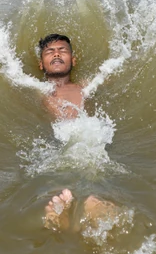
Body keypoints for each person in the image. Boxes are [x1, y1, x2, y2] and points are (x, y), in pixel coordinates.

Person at [35, 34, 120, 232]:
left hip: (90, 131)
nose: (56, 53)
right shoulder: (38, 90)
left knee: (94, 163)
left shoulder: (84, 84)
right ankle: (71, 208)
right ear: (41, 64)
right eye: (50, 51)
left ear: (73, 60)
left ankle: (91, 202)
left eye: (62, 50)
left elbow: (112, 74)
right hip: (59, 136)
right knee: (60, 167)